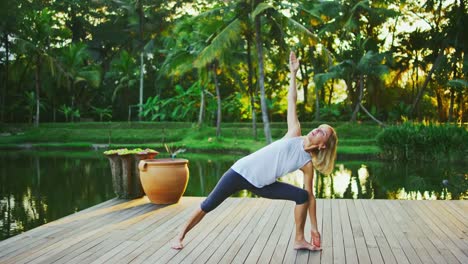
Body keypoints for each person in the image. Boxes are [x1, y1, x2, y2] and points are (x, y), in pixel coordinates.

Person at [171, 51, 338, 251]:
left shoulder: (306, 164)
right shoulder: (295, 133)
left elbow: (311, 197)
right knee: (209, 204)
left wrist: (315, 228)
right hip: (241, 172)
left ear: (323, 145)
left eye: (322, 132)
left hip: (263, 185)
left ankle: (299, 239)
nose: (317, 129)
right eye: (319, 126)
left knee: (301, 196)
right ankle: (180, 235)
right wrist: (293, 73)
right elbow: (291, 101)